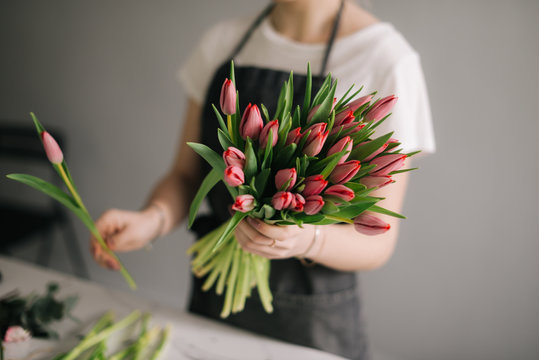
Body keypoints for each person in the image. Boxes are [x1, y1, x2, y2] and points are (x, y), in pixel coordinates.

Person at [89, 1, 435, 359]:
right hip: (214, 304)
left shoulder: (386, 59)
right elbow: (186, 174)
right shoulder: (224, 41)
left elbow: (378, 241)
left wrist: (307, 239)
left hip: (313, 320)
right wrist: (151, 220)